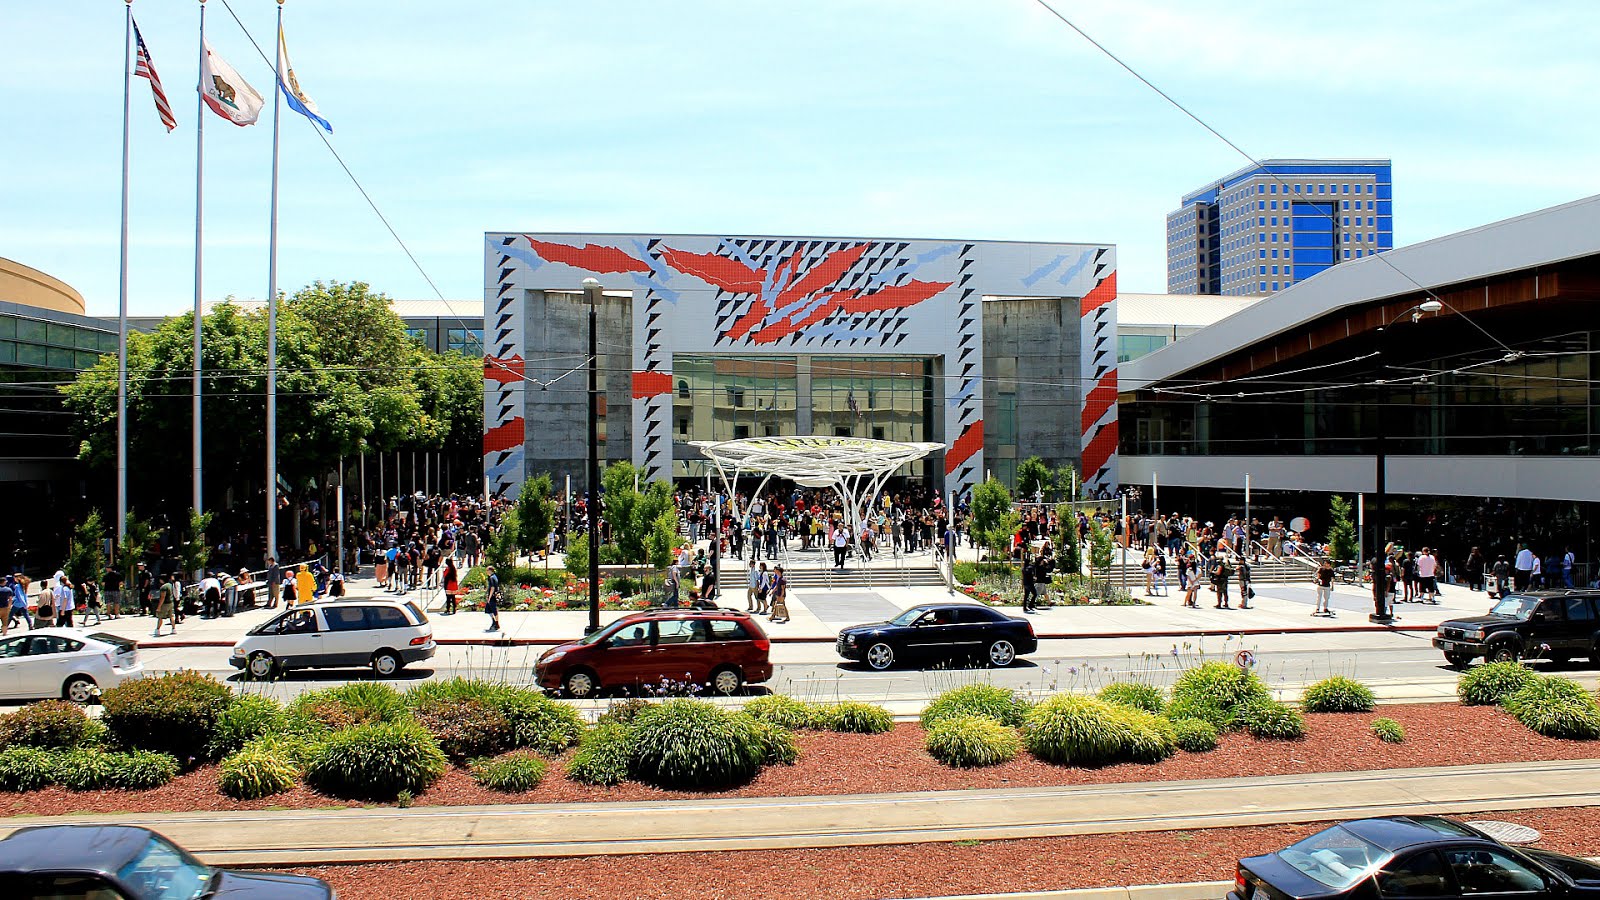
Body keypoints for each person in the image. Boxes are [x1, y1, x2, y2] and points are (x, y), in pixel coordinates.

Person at [153, 572, 179, 637]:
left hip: (165, 604)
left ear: (162, 580)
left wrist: (159, 607)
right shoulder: (170, 585)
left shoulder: (163, 587)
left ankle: (157, 630)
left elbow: (162, 597)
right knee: (171, 616)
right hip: (171, 602)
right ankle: (173, 629)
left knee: (160, 617)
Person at [484, 564, 501, 632]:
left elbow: (492, 588)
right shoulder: (494, 577)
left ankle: (496, 623)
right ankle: (494, 622)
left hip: (492, 596)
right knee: (488, 610)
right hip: (494, 595)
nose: (486, 572)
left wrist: (489, 597)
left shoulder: (491, 578)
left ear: (490, 571)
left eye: (487, 571)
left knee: (493, 610)